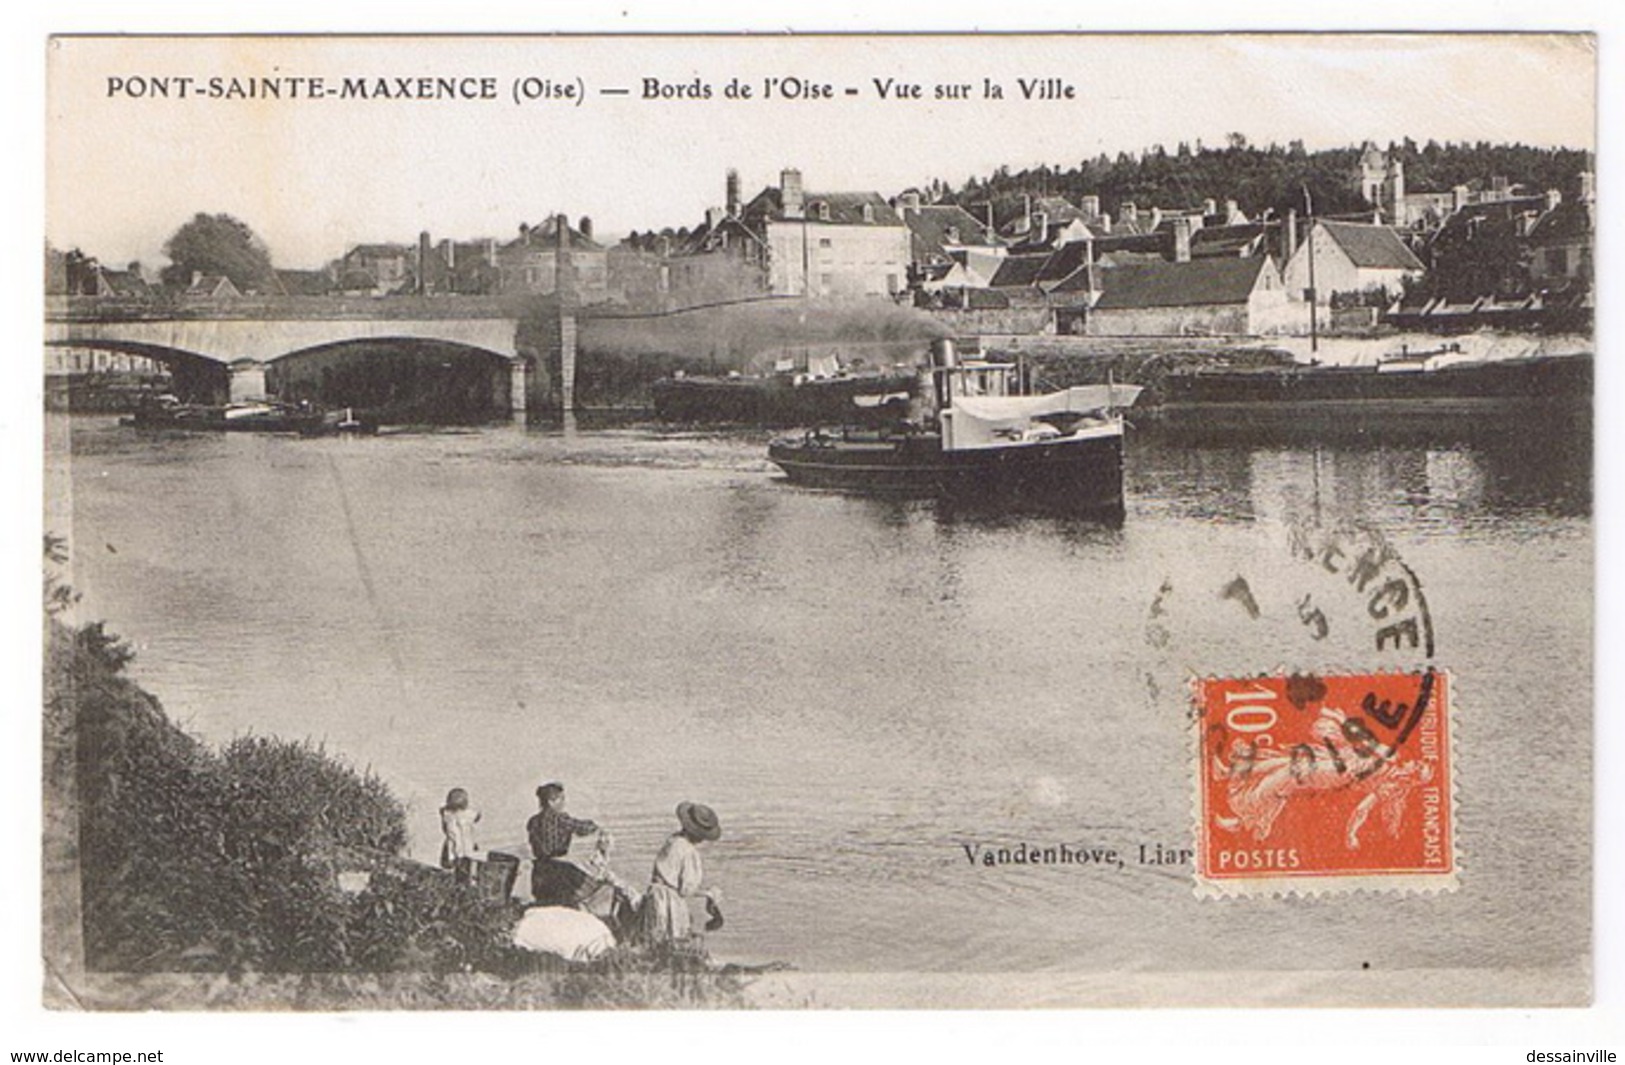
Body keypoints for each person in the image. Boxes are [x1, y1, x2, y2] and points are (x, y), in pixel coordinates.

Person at [637, 802, 722, 945]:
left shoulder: (673, 840)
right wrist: (708, 893)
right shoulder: (689, 851)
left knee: (655, 939)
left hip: (655, 896)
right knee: (674, 941)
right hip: (669, 901)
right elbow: (685, 890)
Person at [527, 782, 599, 906]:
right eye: (561, 799)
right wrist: (596, 826)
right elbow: (585, 828)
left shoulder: (533, 821)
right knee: (595, 889)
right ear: (551, 801)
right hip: (560, 872)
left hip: (539, 873)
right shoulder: (561, 819)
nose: (564, 802)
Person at [439, 787, 481, 882]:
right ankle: (466, 883)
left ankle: (455, 883)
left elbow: (444, 828)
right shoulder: (469, 814)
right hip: (467, 845)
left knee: (451, 867)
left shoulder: (447, 814)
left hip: (453, 845)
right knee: (467, 868)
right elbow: (478, 815)